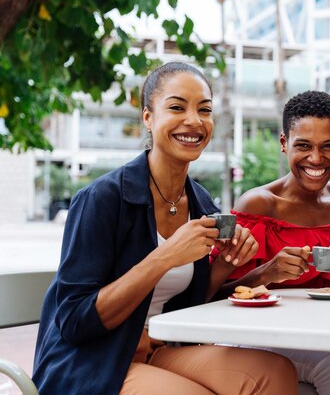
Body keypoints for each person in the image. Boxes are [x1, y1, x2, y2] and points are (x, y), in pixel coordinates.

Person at [32, 62, 298, 395]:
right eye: (176, 107)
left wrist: (226, 267)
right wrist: (165, 257)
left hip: (160, 350)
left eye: (204, 110)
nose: (194, 120)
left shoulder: (200, 201)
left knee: (274, 372)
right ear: (148, 117)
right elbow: (74, 322)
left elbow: (189, 305)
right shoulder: (101, 199)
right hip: (94, 360)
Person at [218, 90, 330, 395]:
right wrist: (267, 273)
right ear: (284, 143)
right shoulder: (259, 206)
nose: (316, 159)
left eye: (328, 147)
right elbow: (218, 296)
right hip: (262, 338)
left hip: (326, 337)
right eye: (303, 146)